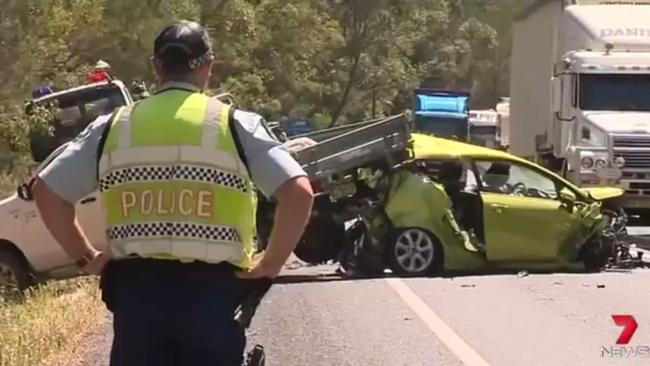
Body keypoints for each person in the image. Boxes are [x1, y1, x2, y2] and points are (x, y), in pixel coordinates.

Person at [32, 20, 314, 366]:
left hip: (138, 300)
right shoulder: (234, 124)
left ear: (157, 67)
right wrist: (269, 265)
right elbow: (299, 193)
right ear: (208, 66)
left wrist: (87, 258)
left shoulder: (112, 127)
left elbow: (46, 191)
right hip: (211, 299)